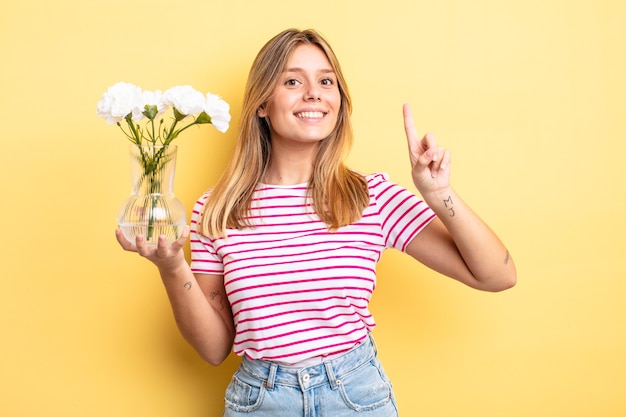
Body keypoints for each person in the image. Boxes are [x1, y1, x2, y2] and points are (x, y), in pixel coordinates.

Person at [116, 28, 516, 417]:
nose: (314, 94)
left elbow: (497, 275)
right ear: (262, 104)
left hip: (356, 397)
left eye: (326, 81)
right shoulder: (218, 210)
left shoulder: (369, 197)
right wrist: (171, 266)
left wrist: (437, 192)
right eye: (293, 80)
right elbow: (214, 349)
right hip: (260, 402)